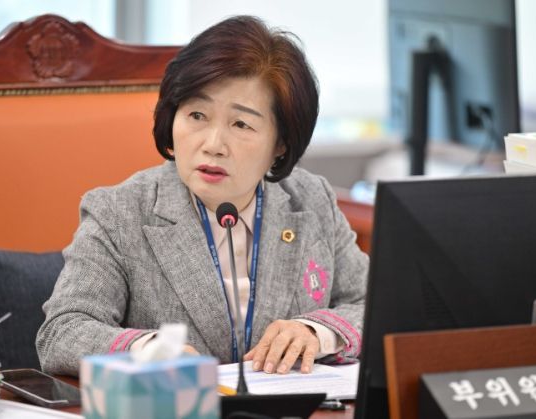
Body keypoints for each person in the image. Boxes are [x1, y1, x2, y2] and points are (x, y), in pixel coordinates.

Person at [36, 15, 368, 377]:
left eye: (241, 124)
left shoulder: (311, 200)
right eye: (197, 115)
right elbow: (62, 332)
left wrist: (317, 332)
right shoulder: (120, 212)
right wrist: (149, 349)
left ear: (281, 143)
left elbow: (377, 305)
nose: (213, 145)